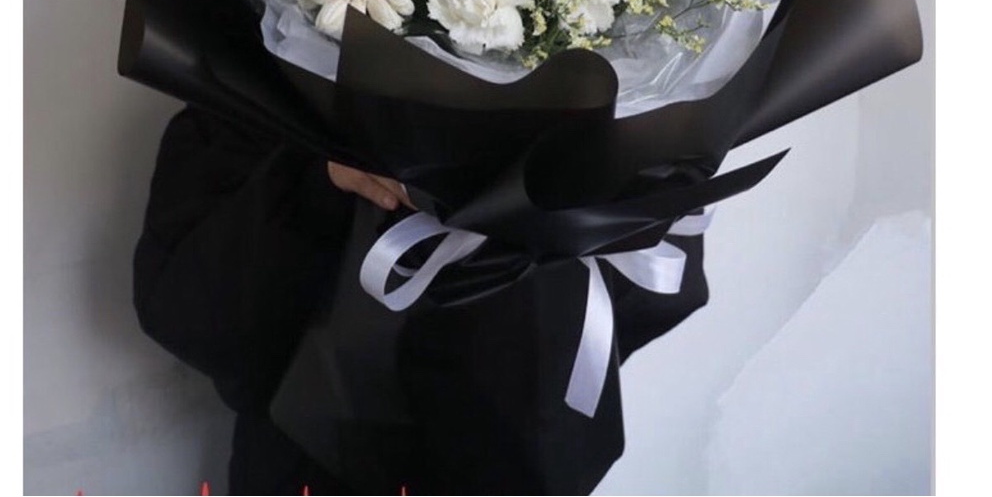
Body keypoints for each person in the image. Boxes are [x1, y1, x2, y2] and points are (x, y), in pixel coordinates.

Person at [134, 105, 709, 495]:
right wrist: (319, 178)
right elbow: (188, 311)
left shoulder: (625, 72)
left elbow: (656, 286)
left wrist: (560, 222)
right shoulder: (270, 47)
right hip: (311, 462)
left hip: (516, 457)